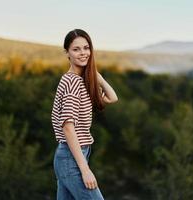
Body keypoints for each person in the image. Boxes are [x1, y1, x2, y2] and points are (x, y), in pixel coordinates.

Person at [51, 29, 118, 200]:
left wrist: (97, 76)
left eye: (86, 48)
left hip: (72, 156)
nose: (83, 53)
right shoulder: (72, 81)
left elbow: (112, 97)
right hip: (71, 159)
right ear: (67, 53)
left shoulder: (79, 81)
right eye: (76, 49)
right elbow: (68, 128)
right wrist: (85, 169)